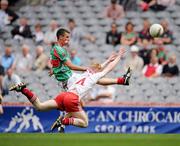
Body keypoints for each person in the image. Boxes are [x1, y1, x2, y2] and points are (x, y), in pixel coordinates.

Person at [9, 48, 129, 132]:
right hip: (72, 98)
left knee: (40, 106)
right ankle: (63, 122)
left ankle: (23, 89)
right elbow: (107, 69)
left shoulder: (85, 73)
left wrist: (108, 60)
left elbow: (98, 67)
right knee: (85, 123)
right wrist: (118, 56)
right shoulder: (95, 77)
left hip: (64, 95)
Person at [49, 28, 130, 91]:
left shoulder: (56, 49)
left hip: (69, 79)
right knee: (96, 76)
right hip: (69, 80)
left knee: (95, 77)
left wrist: (55, 70)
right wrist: (86, 68)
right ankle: (122, 80)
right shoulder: (59, 50)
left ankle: (121, 80)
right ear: (60, 37)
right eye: (66, 37)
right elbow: (71, 66)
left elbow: (58, 64)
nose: (68, 39)